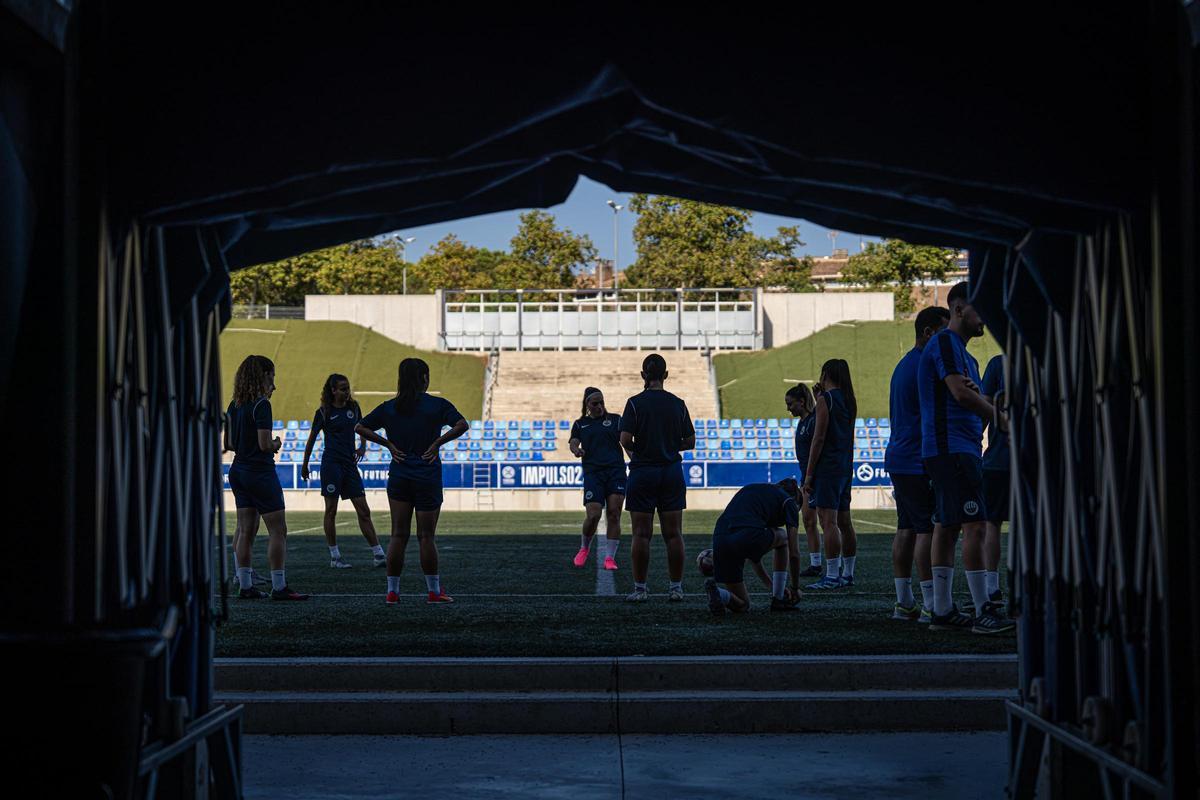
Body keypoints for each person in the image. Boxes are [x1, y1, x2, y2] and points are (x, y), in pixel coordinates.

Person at [918, 281, 1013, 634]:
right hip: (953, 449)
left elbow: (972, 395)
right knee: (974, 525)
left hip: (955, 449)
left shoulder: (968, 357)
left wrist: (982, 403)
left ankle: (942, 610)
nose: (985, 318)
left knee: (947, 525)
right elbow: (961, 394)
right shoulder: (946, 341)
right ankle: (983, 609)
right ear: (958, 309)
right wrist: (999, 417)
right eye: (980, 309)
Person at [356, 358, 469, 606]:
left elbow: (360, 427)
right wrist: (438, 443)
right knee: (426, 536)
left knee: (398, 535)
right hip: (427, 475)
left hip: (400, 475)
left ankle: (393, 592)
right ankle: (433, 591)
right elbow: (462, 425)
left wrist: (388, 445)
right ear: (425, 378)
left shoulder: (390, 407)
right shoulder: (437, 405)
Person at [224, 355, 308, 601]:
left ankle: (245, 585)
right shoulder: (262, 405)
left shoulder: (233, 405)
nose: (274, 382)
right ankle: (279, 586)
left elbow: (228, 443)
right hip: (259, 472)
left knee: (245, 531)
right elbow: (264, 444)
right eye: (272, 376)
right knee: (278, 530)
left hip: (238, 470)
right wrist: (276, 443)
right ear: (264, 375)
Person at [885, 306, 949, 621]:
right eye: (944, 332)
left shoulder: (904, 364)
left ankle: (904, 602)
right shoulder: (925, 365)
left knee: (906, 528)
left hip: (899, 456)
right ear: (928, 333)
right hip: (915, 459)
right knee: (926, 530)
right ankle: (931, 604)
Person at [619, 353, 696, 602]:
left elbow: (625, 440)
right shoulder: (678, 403)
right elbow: (690, 441)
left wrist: (639, 451)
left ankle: (640, 589)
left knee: (641, 534)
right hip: (671, 472)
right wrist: (668, 444)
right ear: (666, 375)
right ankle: (676, 588)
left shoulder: (634, 403)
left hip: (642, 472)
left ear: (643, 375)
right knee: (673, 534)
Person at [300, 373, 386, 569]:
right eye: (343, 389)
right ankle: (335, 557)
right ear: (333, 390)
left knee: (363, 510)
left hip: (349, 465)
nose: (347, 392)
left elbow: (363, 427)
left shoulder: (353, 408)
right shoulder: (323, 412)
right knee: (331, 510)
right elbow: (312, 439)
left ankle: (378, 554)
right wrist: (305, 464)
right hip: (331, 464)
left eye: (348, 388)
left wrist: (363, 446)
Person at [703, 479, 803, 615]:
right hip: (746, 536)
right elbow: (794, 554)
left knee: (742, 605)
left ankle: (719, 594)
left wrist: (770, 585)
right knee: (783, 537)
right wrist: (795, 588)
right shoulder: (789, 502)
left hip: (720, 540)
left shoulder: (755, 491)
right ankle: (778, 599)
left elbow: (753, 556)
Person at [802, 359, 857, 590]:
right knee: (845, 521)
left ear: (825, 374)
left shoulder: (827, 399)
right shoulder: (849, 400)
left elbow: (819, 437)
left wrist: (809, 474)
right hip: (844, 465)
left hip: (828, 467)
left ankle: (832, 575)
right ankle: (848, 573)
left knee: (828, 521)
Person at [568, 387, 625, 570]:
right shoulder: (580, 424)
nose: (600, 406)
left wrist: (638, 460)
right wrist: (576, 450)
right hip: (593, 473)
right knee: (593, 515)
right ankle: (584, 548)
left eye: (602, 402)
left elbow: (626, 442)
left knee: (614, 513)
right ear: (587, 404)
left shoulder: (615, 420)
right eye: (595, 403)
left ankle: (610, 557)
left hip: (616, 471)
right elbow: (574, 441)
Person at [979, 354, 1009, 610]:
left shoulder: (998, 364)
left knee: (992, 524)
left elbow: (983, 408)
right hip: (1035, 459)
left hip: (999, 458)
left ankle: (992, 585)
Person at [784, 383, 822, 577]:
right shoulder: (802, 422)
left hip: (815, 477)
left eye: (790, 404)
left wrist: (810, 477)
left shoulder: (814, 420)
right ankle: (816, 564)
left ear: (802, 401)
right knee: (808, 520)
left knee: (826, 521)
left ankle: (833, 563)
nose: (788, 408)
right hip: (806, 476)